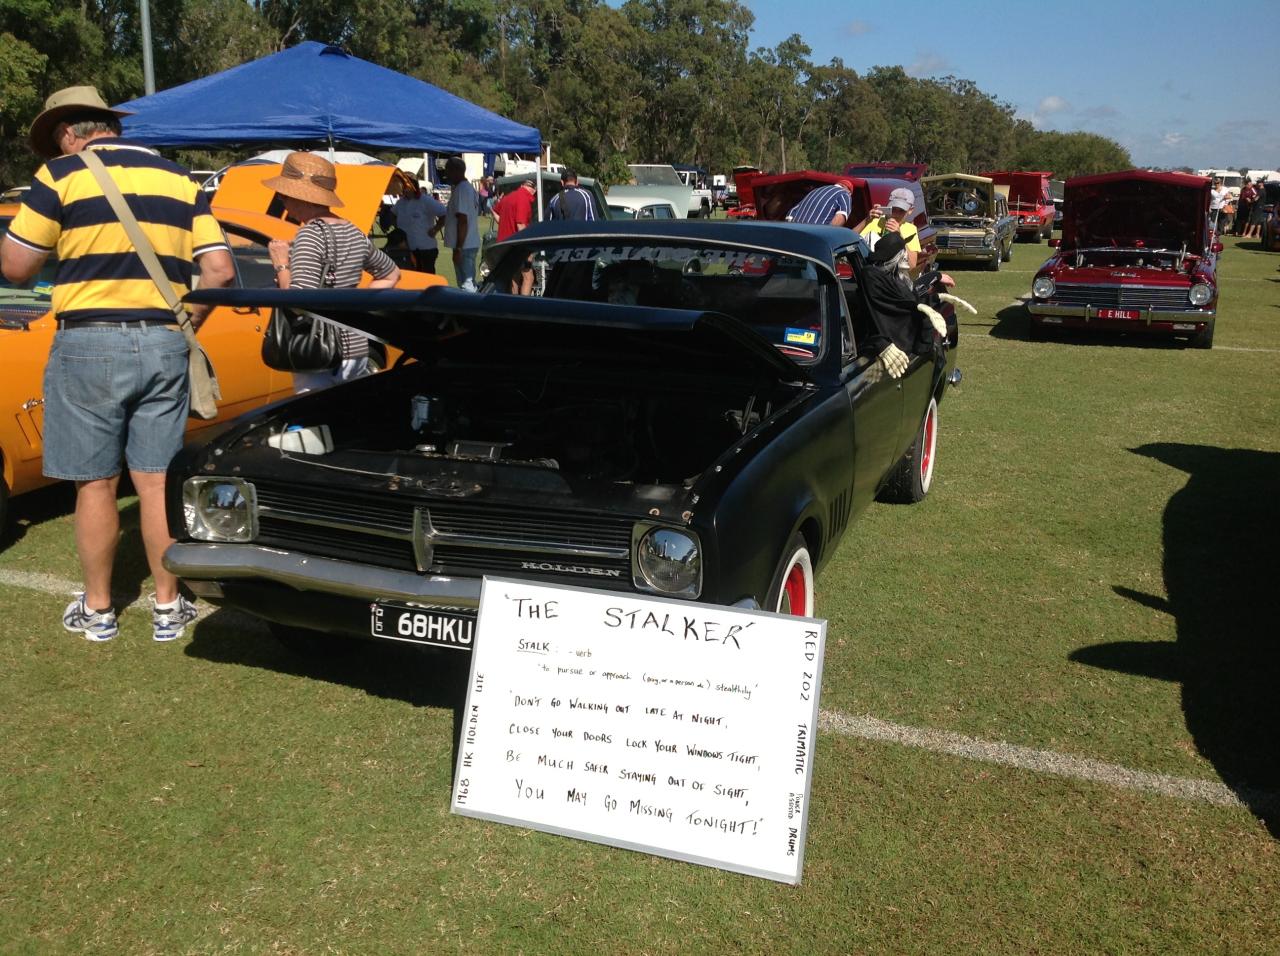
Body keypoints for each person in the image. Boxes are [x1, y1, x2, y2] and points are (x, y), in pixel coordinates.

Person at [0, 85, 235, 643]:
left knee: (95, 484)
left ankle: (99, 609)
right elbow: (221, 271)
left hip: (88, 342)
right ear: (107, 125)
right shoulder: (180, 179)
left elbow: (14, 266)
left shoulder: (60, 176)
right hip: (162, 340)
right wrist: (185, 324)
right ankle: (166, 605)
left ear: (65, 132)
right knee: (154, 483)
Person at [264, 152, 400, 393]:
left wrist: (281, 264)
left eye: (283, 195)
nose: (282, 201)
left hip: (318, 349)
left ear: (300, 197)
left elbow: (297, 302)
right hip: (355, 346)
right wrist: (359, 303)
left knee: (315, 423)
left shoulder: (309, 235)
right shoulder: (354, 231)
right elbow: (391, 274)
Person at [856, 187, 922, 276]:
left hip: (890, 278)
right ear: (887, 206)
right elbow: (846, 239)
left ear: (910, 210)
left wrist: (899, 237)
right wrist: (866, 220)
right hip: (866, 272)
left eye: (901, 211)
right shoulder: (875, 220)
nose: (896, 214)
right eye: (893, 209)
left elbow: (912, 265)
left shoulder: (911, 229)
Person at [491, 178, 537, 294]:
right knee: (528, 277)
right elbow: (520, 224)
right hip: (517, 246)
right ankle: (523, 306)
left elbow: (495, 211)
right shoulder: (523, 199)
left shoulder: (509, 197)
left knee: (514, 277)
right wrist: (529, 250)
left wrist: (503, 223)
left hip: (504, 244)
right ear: (533, 190)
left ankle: (513, 303)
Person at [442, 157, 482, 289]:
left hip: (465, 245)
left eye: (448, 171)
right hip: (467, 243)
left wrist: (458, 248)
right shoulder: (467, 188)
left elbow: (463, 221)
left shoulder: (462, 189)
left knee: (466, 284)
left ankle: (472, 309)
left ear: (456, 171)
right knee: (465, 283)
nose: (446, 175)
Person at [393, 182, 446, 273]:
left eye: (407, 187)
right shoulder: (400, 202)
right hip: (406, 250)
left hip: (425, 249)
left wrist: (435, 229)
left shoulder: (426, 200)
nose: (404, 190)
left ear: (414, 187)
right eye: (403, 187)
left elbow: (444, 214)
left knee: (427, 281)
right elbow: (393, 215)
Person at [785, 178, 855, 226]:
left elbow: (792, 212)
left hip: (796, 230)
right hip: (815, 234)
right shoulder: (844, 193)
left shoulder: (814, 191)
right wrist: (827, 234)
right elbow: (841, 215)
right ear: (849, 192)